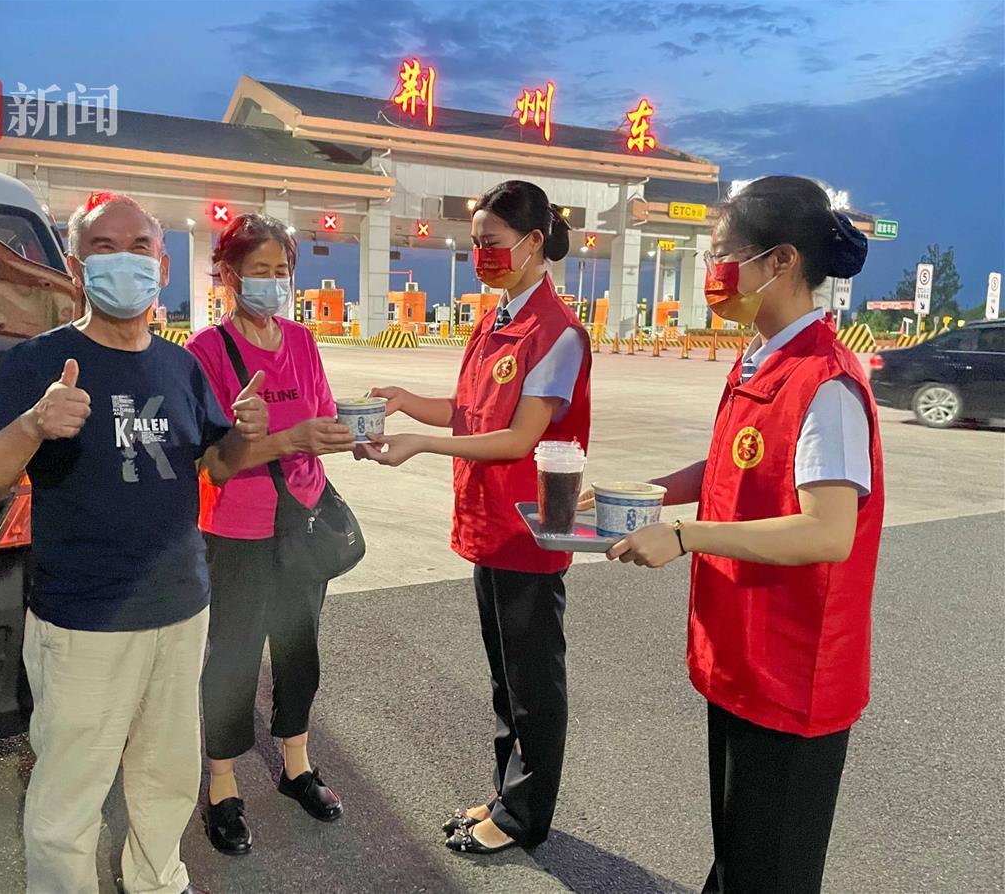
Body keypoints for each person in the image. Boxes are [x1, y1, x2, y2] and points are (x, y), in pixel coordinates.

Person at [0, 191, 276, 894]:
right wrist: (32, 426)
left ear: (163, 267)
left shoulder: (179, 366)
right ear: (76, 269)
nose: (123, 261)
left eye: (139, 247)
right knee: (69, 795)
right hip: (84, 619)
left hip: (181, 608)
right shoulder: (41, 361)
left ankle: (157, 880)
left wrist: (246, 435)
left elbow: (215, 464)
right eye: (103, 247)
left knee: (167, 776)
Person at [602, 176, 883, 894]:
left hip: (792, 673)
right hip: (743, 656)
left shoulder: (825, 383)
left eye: (725, 254)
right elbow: (729, 464)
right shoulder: (761, 360)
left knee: (770, 867)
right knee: (739, 853)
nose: (713, 272)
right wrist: (644, 494)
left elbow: (827, 531)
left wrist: (685, 535)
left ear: (780, 261)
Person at [359, 180, 591, 854]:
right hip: (490, 526)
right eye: (476, 244)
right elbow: (470, 413)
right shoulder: (497, 321)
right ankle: (505, 795)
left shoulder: (557, 334)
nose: (480, 254)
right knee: (504, 679)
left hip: (528, 528)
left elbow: (518, 438)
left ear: (533, 243)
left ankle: (524, 817)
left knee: (532, 685)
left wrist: (421, 444)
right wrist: (408, 401)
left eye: (491, 243)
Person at [185, 214, 354, 856]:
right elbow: (211, 462)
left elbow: (323, 415)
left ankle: (296, 764)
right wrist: (286, 438)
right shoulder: (206, 352)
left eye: (282, 271)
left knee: (299, 648)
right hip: (238, 527)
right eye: (260, 271)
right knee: (233, 655)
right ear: (229, 275)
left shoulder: (302, 341)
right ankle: (223, 783)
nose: (274, 283)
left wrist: (344, 434)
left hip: (302, 520)